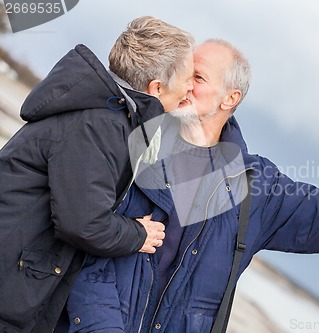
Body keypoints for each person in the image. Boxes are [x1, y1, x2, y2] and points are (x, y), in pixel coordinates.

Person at [65, 39, 319, 333]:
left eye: (199, 78)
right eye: (184, 75)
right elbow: (86, 249)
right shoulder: (134, 143)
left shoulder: (256, 188)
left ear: (230, 98)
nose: (185, 85)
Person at [0, 16, 196, 333]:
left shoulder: (111, 116)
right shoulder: (99, 124)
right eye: (188, 77)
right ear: (156, 87)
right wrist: (140, 235)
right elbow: (83, 223)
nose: (191, 86)